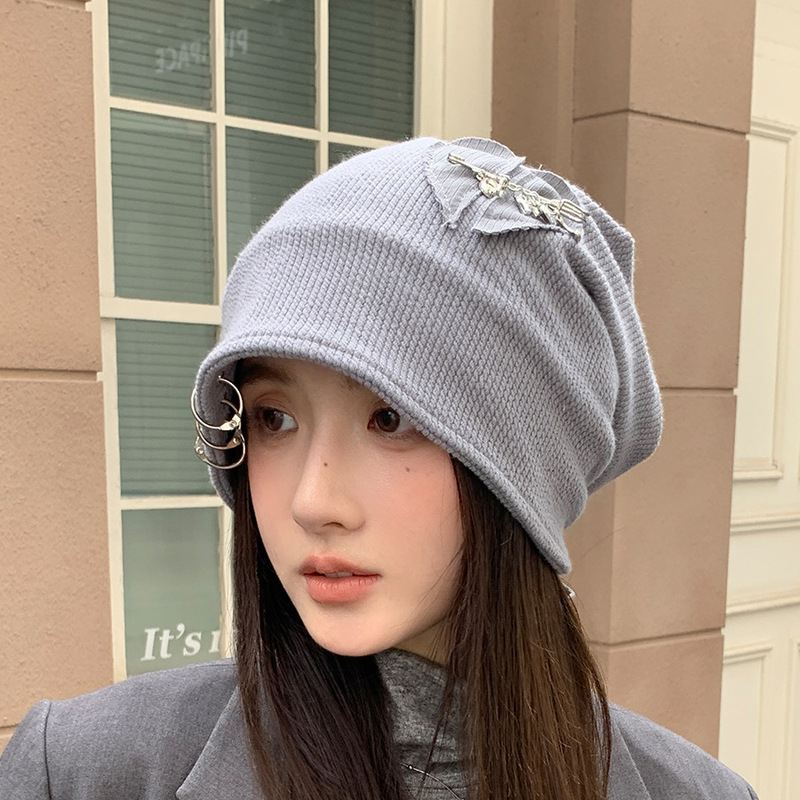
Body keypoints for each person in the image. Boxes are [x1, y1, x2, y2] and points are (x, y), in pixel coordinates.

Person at [0, 137, 757, 799]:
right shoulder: (81, 772)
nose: (312, 500)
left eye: (390, 418)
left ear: (523, 472)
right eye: (274, 419)